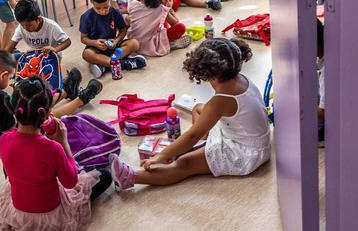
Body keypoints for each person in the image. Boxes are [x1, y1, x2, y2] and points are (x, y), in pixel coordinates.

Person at [108, 38, 269, 189]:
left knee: (185, 164)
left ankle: (130, 177)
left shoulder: (220, 101)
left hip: (245, 153)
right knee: (198, 108)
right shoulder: (241, 78)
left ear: (208, 74)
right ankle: (203, 145)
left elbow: (192, 135)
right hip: (250, 138)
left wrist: (162, 156)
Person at [0, 77, 113, 231]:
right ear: (48, 113)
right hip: (51, 215)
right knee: (105, 176)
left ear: (13, 109)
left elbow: (24, 150)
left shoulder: (4, 139)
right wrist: (63, 142)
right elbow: (70, 182)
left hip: (19, 214)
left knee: (17, 167)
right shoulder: (53, 148)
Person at [0, 51, 103, 155]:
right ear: (3, 75)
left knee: (30, 104)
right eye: (10, 77)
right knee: (35, 115)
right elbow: (11, 126)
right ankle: (80, 98)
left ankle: (67, 91)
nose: (10, 80)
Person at [78, 0, 147, 78]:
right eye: (98, 8)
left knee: (134, 43)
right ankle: (123, 64)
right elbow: (83, 39)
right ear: (91, 1)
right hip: (96, 48)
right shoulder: (86, 17)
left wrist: (116, 41)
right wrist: (95, 43)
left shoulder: (115, 12)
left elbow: (123, 30)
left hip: (114, 46)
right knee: (87, 54)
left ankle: (104, 65)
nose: (102, 11)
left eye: (106, 7)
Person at [126, 0, 190, 56]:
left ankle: (166, 42)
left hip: (133, 41)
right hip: (150, 44)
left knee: (160, 21)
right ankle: (170, 44)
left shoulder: (132, 3)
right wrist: (169, 8)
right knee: (181, 27)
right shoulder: (161, 9)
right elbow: (175, 23)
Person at [4, 0, 70, 54]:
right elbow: (11, 46)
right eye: (22, 25)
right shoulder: (21, 28)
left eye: (29, 25)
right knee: (14, 55)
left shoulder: (52, 26)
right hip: (36, 54)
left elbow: (67, 42)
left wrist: (55, 49)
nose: (25, 28)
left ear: (39, 19)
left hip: (52, 54)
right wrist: (2, 58)